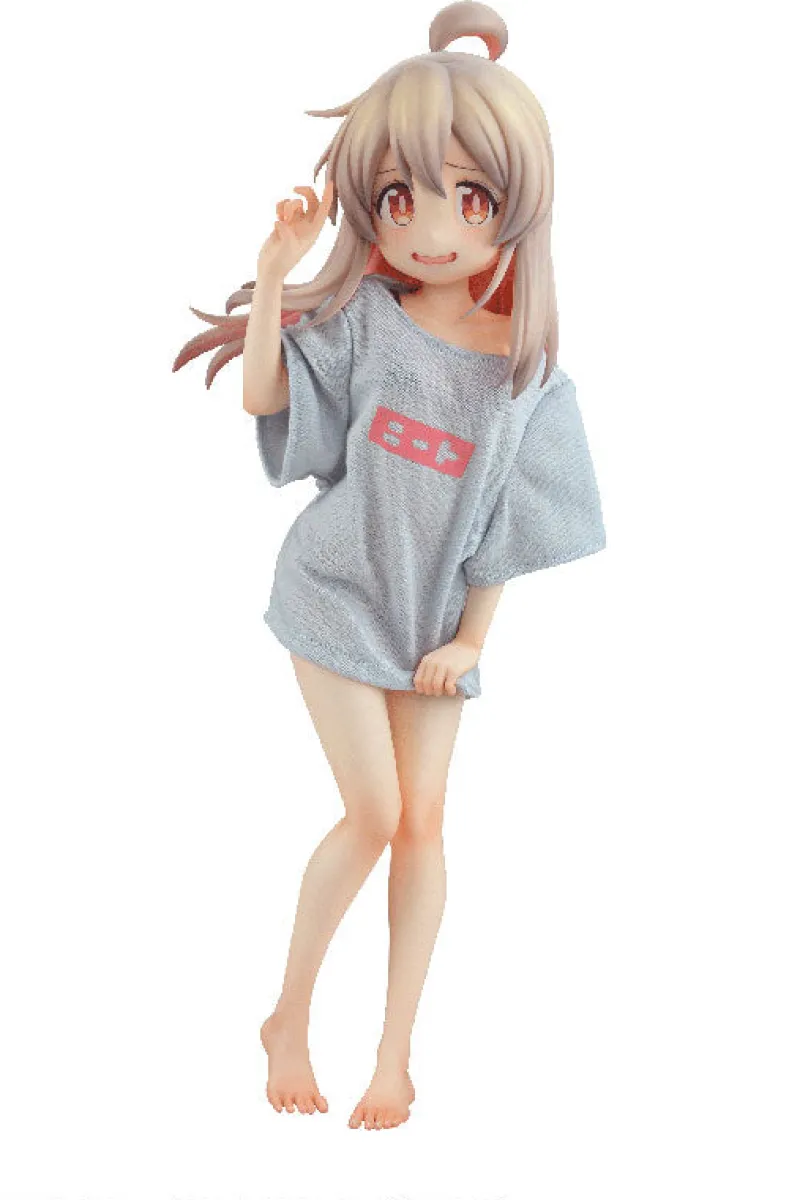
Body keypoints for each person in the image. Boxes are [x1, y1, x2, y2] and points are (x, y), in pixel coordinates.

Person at [173, 0, 606, 1130]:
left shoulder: (524, 372)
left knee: (423, 827)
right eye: (403, 197)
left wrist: (470, 637)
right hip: (333, 592)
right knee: (372, 814)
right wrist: (275, 276)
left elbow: (505, 522)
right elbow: (264, 399)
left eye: (470, 197)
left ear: (514, 206)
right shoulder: (365, 321)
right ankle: (287, 1016)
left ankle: (394, 1058)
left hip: (430, 625)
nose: (432, 227)